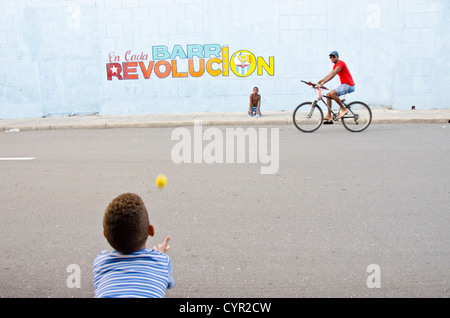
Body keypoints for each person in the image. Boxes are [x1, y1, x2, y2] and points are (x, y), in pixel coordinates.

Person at [93, 193, 174, 298]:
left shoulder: (100, 262)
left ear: (105, 234)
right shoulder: (163, 261)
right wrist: (159, 255)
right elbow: (169, 284)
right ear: (151, 231)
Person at [317, 51, 355, 120]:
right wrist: (320, 81)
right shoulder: (335, 65)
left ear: (337, 57)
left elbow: (333, 74)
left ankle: (343, 109)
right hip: (343, 85)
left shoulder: (340, 63)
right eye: (331, 57)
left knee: (332, 93)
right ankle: (329, 115)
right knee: (328, 95)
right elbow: (330, 74)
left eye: (333, 56)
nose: (332, 58)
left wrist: (323, 83)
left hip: (348, 85)